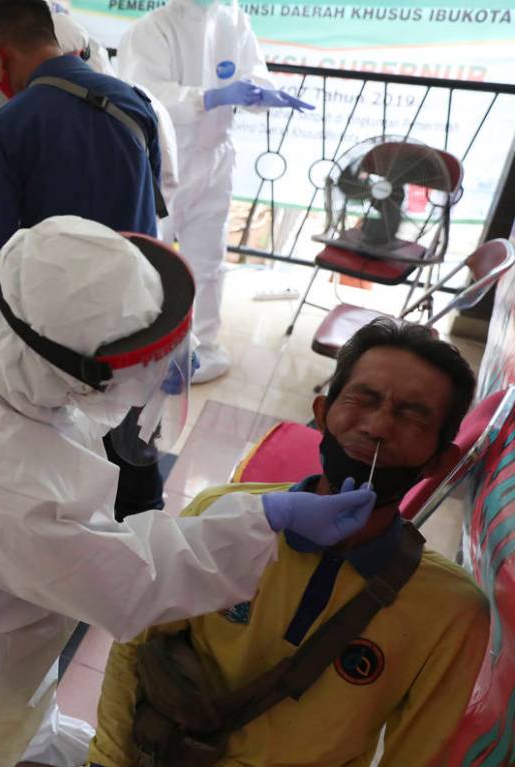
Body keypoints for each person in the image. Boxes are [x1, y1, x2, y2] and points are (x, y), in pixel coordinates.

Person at [0, 215, 377, 767]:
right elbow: (134, 582)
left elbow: (51, 404)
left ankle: (37, 744)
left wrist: (143, 360)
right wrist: (263, 520)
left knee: (26, 720)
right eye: (137, 367)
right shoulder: (8, 488)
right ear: (75, 376)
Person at [86, 318, 490, 767]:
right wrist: (105, 760)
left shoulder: (451, 610)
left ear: (440, 459)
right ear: (321, 412)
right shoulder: (224, 517)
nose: (377, 427)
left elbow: (417, 754)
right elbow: (135, 645)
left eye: (412, 416)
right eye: (363, 398)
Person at [118, 0, 313, 384]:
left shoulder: (234, 22)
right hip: (166, 161)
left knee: (208, 261)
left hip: (216, 158)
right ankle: (144, 343)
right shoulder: (153, 29)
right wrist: (207, 97)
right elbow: (146, 95)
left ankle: (202, 345)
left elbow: (252, 72)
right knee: (151, 255)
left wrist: (262, 92)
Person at [0, 0, 164, 293]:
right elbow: (151, 197)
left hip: (58, 320)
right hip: (139, 303)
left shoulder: (3, 131)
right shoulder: (135, 103)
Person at [51, 12, 180, 210]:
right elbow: (166, 181)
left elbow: (163, 184)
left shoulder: (140, 103)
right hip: (129, 231)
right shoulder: (139, 102)